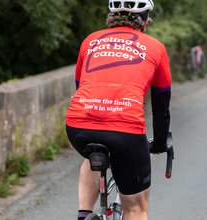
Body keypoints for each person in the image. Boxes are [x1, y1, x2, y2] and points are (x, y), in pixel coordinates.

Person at [65, 0, 171, 219]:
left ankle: (83, 215)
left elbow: (80, 87)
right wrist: (160, 143)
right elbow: (161, 106)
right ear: (145, 21)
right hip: (125, 131)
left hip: (78, 126)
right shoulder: (156, 47)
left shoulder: (90, 41)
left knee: (91, 154)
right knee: (135, 207)